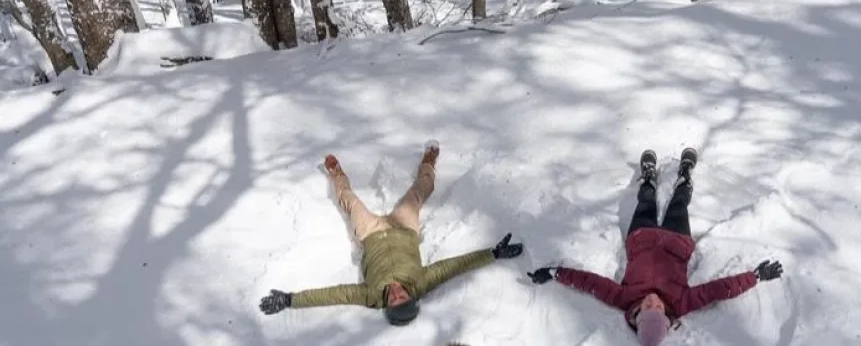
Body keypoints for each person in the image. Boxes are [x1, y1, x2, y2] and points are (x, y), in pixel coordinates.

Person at [526, 148, 783, 345]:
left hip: (642, 237)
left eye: (647, 308)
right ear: (667, 317)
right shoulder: (681, 303)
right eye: (658, 308)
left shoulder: (623, 298)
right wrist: (754, 277)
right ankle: (684, 175)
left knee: (646, 201)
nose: (653, 301)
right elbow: (717, 290)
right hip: (677, 240)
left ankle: (648, 177)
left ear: (636, 317)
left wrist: (554, 273)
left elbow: (590, 283)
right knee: (679, 205)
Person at [259, 140, 524, 325]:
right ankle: (429, 161)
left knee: (350, 202)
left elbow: (333, 294)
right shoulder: (420, 283)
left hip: (371, 234)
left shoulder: (371, 296)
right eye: (404, 297)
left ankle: (337, 173)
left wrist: (291, 299)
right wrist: (492, 254)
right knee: (421, 191)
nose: (397, 293)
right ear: (411, 296)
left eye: (394, 300)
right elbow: (451, 267)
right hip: (404, 228)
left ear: (387, 306)